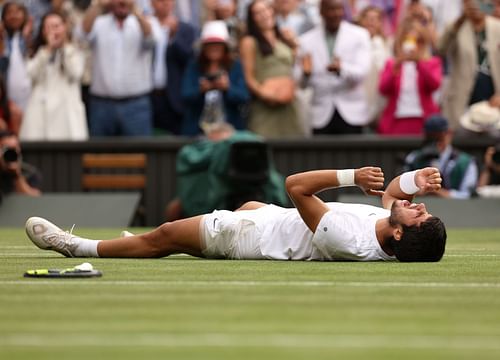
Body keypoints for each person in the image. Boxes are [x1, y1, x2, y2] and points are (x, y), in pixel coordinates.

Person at [25, 165, 447, 262]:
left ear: (399, 236)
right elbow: (392, 194)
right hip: (265, 217)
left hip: (247, 237)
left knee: (166, 235)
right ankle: (140, 241)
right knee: (250, 203)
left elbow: (295, 186)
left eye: (419, 216)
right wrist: (414, 181)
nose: (420, 208)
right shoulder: (386, 229)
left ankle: (76, 246)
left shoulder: (349, 239)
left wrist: (350, 175)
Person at [297, 0, 372, 135]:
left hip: (352, 113)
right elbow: (301, 84)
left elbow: (362, 72)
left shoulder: (359, 35)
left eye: (339, 9)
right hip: (320, 115)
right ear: (321, 11)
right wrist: (306, 74)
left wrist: (341, 68)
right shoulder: (306, 40)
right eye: (331, 10)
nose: (335, 14)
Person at [82, 0, 156, 136]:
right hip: (102, 105)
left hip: (136, 105)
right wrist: (98, 4)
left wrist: (134, 10)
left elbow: (151, 39)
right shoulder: (99, 23)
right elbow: (83, 33)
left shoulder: (141, 22)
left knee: (139, 154)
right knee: (99, 156)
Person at [239, 0, 304, 138]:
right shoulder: (249, 41)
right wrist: (268, 95)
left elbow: (295, 68)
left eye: (266, 10)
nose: (264, 15)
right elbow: (249, 78)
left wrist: (295, 45)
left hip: (289, 106)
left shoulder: (284, 37)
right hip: (265, 107)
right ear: (252, 18)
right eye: (258, 13)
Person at [19, 11, 88, 141]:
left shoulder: (75, 50)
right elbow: (31, 74)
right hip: (40, 117)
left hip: (67, 116)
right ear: (43, 31)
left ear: (65, 28)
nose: (53, 31)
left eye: (57, 26)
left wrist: (65, 48)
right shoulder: (35, 52)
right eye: (49, 27)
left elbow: (75, 73)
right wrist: (48, 50)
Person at [438, 0, 500, 129]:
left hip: (493, 102)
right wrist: (460, 20)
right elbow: (441, 50)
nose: (476, 5)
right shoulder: (456, 27)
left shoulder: (497, 27)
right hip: (463, 101)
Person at [181, 20, 249, 136]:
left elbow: (244, 96)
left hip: (229, 129)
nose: (214, 48)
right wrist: (201, 90)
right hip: (198, 130)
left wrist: (227, 88)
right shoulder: (194, 66)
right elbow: (185, 95)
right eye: (210, 45)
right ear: (204, 47)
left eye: (218, 45)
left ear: (225, 47)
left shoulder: (235, 66)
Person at [377, 18, 442, 135]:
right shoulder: (391, 63)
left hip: (424, 120)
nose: (413, 45)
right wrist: (395, 68)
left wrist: (420, 63)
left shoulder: (432, 62)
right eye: (408, 40)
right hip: (396, 120)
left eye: (418, 41)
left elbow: (435, 85)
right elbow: (383, 89)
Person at [403, 114, 478, 199]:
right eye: (431, 138)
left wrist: (438, 192)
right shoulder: (414, 158)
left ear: (449, 134)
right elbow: (403, 190)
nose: (436, 143)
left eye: (439, 138)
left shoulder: (465, 162)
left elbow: (468, 195)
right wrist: (418, 191)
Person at [149, 0, 196, 135]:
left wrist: (174, 37)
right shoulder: (145, 26)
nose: (164, 3)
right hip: (147, 97)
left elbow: (189, 61)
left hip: (173, 99)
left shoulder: (186, 29)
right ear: (151, 3)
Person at [1, 1, 32, 111]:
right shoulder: (3, 40)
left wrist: (26, 38)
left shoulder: (32, 36)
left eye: (17, 12)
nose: (13, 16)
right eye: (9, 12)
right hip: (8, 100)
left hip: (32, 98)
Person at [0, 130, 41, 202]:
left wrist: (17, 175)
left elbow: (34, 199)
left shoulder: (29, 172)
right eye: (6, 148)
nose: (11, 152)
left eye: (14, 148)